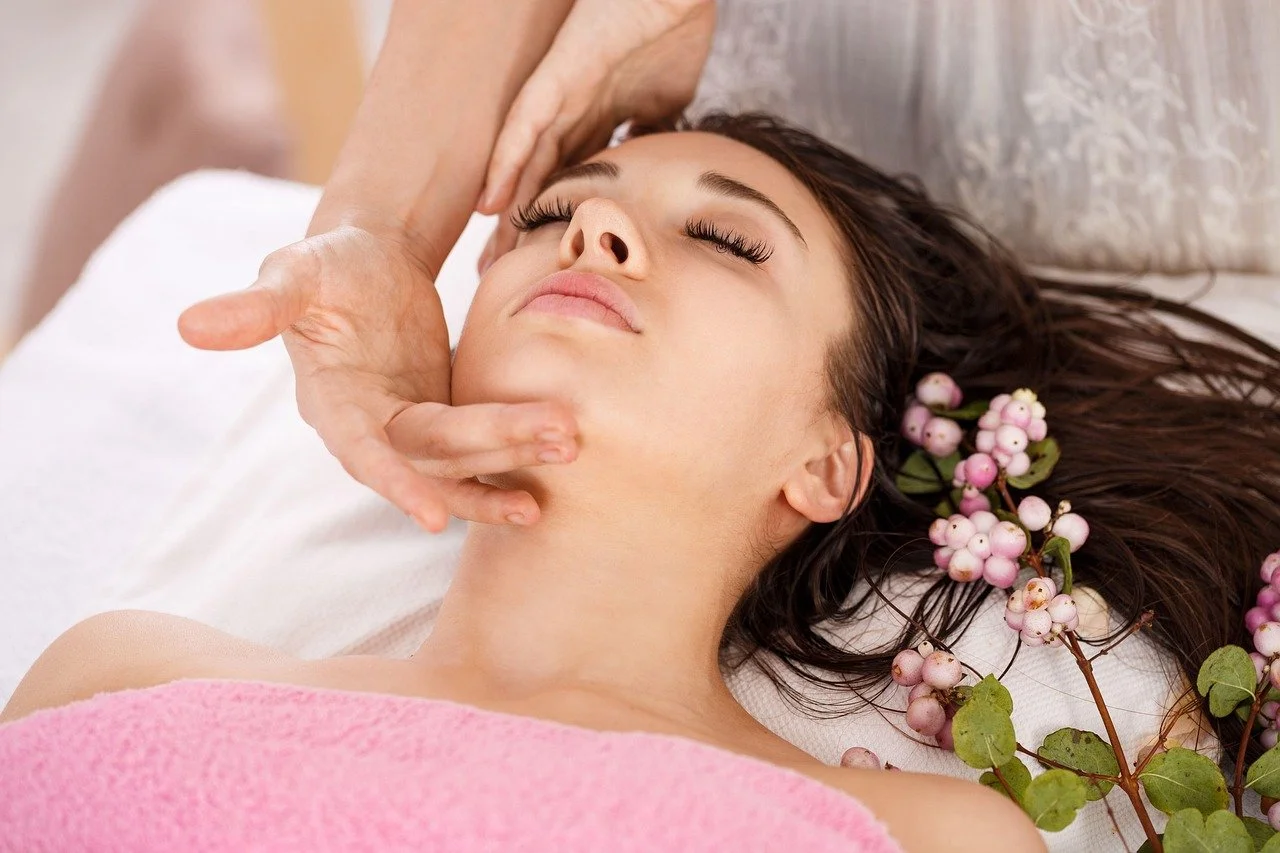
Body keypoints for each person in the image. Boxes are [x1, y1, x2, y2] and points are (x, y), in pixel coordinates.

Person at [4, 111, 1278, 849]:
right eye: (551, 215)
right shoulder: (124, 671)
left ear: (822, 463)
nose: (592, 234)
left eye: (725, 240)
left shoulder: (940, 839)